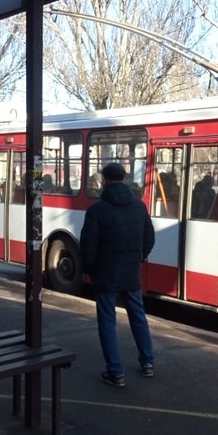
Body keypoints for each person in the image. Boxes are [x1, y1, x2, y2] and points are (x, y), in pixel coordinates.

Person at [80, 162, 156, 387]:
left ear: (105, 180)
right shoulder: (139, 206)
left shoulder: (97, 209)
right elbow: (149, 238)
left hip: (105, 275)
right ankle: (148, 363)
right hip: (131, 274)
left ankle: (115, 371)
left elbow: (88, 245)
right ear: (124, 178)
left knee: (107, 321)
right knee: (138, 317)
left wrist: (89, 270)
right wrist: (138, 258)